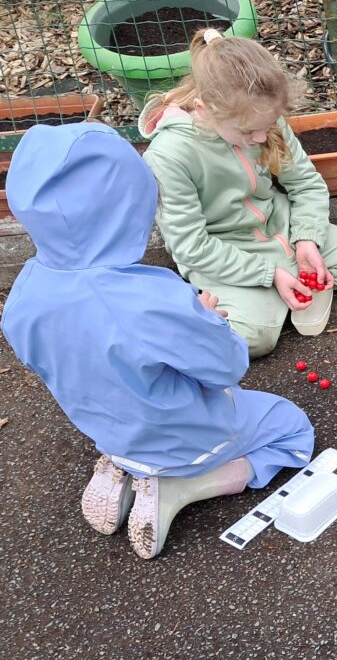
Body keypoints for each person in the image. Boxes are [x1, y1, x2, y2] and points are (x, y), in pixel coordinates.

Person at [1, 123, 316, 559]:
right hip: (189, 433)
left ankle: (124, 465)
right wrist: (206, 320)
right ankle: (182, 485)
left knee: (129, 409)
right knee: (292, 430)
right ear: (130, 206)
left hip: (110, 428)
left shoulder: (25, 292)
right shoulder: (152, 297)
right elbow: (226, 367)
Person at [139, 29, 337, 357]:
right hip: (225, 253)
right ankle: (265, 298)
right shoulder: (168, 155)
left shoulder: (261, 115)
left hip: (279, 228)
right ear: (204, 108)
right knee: (254, 339)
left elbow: (306, 183)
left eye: (267, 126)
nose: (259, 138)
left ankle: (273, 298)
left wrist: (307, 239)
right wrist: (268, 273)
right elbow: (191, 247)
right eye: (249, 131)